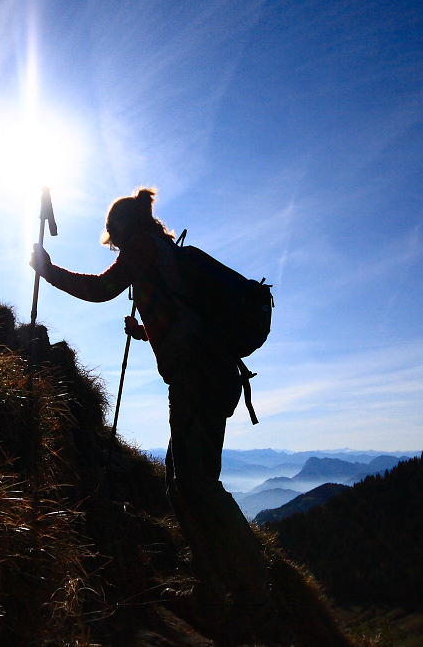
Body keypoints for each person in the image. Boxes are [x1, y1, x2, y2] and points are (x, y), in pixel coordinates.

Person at [29, 187, 288, 645]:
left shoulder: (143, 248)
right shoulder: (162, 252)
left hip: (198, 377)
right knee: (182, 481)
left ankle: (255, 605)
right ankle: (215, 591)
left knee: (198, 485)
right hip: (207, 374)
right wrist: (147, 331)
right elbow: (184, 316)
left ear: (124, 228)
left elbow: (101, 288)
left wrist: (48, 271)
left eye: (113, 237)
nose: (114, 245)